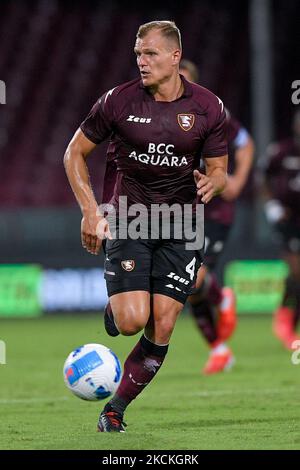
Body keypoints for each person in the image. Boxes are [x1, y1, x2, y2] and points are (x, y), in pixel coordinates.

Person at [64, 21, 228, 432]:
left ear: (175, 58)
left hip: (183, 225)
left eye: (150, 53)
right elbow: (73, 153)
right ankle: (117, 311)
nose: (141, 60)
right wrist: (89, 211)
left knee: (164, 323)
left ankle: (114, 410)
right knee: (132, 322)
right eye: (138, 53)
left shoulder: (208, 107)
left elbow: (220, 168)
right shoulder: (118, 101)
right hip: (129, 219)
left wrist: (216, 180)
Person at [179, 59, 254, 374]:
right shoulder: (154, 116)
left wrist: (236, 181)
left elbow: (245, 143)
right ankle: (220, 350)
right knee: (189, 289)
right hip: (180, 211)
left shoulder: (211, 112)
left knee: (194, 277)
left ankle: (223, 297)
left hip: (214, 210)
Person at [264, 109, 300, 350]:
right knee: (298, 271)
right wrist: (271, 205)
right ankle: (285, 321)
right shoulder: (282, 151)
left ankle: (288, 322)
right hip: (290, 220)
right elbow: (263, 176)